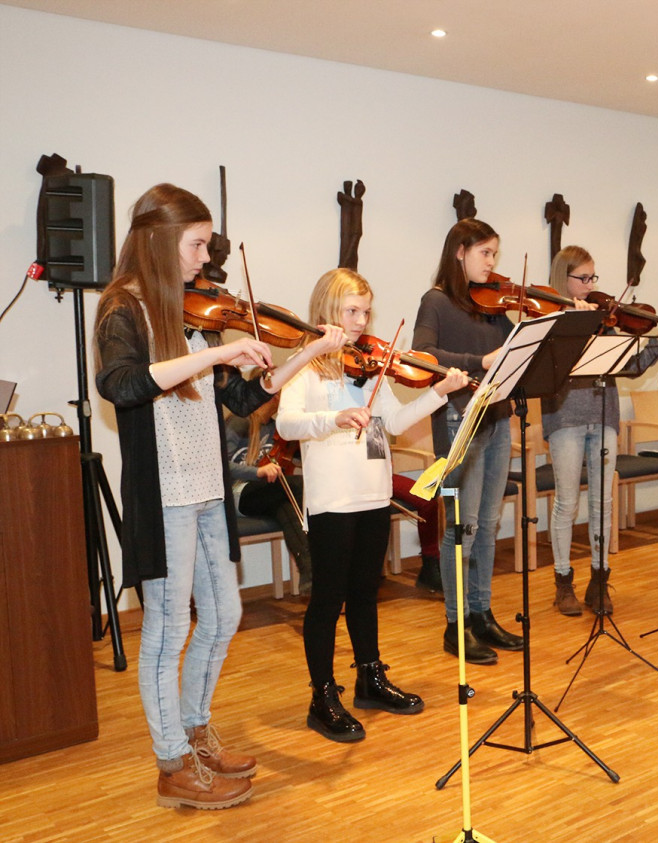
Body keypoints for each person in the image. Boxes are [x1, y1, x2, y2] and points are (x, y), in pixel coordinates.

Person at [94, 183, 345, 809]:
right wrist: (220, 354)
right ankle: (171, 761)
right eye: (196, 244)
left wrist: (307, 351)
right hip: (166, 492)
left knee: (225, 616)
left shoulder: (191, 311)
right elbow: (121, 384)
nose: (205, 257)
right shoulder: (123, 308)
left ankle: (197, 733)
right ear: (158, 241)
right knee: (167, 627)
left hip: (206, 488)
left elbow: (244, 399)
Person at [276, 267, 469, 742]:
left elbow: (397, 423)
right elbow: (286, 424)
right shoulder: (306, 362)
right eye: (351, 311)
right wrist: (334, 417)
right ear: (327, 310)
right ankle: (322, 696)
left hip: (372, 492)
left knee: (366, 591)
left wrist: (437, 393)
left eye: (365, 311)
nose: (361, 321)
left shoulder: (369, 365)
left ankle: (370, 677)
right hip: (334, 498)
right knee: (328, 599)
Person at [541, 245, 658, 615]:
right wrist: (575, 323)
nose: (590, 286)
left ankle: (599, 581)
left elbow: (630, 368)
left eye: (592, 278)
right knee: (567, 503)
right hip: (564, 417)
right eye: (582, 279)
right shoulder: (551, 319)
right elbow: (546, 369)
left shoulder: (608, 322)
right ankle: (563, 582)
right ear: (562, 279)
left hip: (603, 413)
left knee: (603, 502)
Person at [412, 218, 525, 665]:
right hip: (460, 420)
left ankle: (482, 613)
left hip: (497, 420)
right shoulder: (435, 301)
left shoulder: (492, 305)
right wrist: (480, 360)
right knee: (463, 526)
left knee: (490, 523)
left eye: (495, 253)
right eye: (486, 253)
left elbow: (513, 355)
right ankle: (455, 624)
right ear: (460, 251)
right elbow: (425, 355)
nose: (493, 263)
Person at [226, 390, 312, 593]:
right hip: (236, 494)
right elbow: (220, 465)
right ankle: (322, 561)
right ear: (275, 397)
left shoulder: (275, 427)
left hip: (260, 494)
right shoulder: (238, 423)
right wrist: (257, 472)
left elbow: (296, 457)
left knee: (285, 506)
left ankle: (309, 573)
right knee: (297, 485)